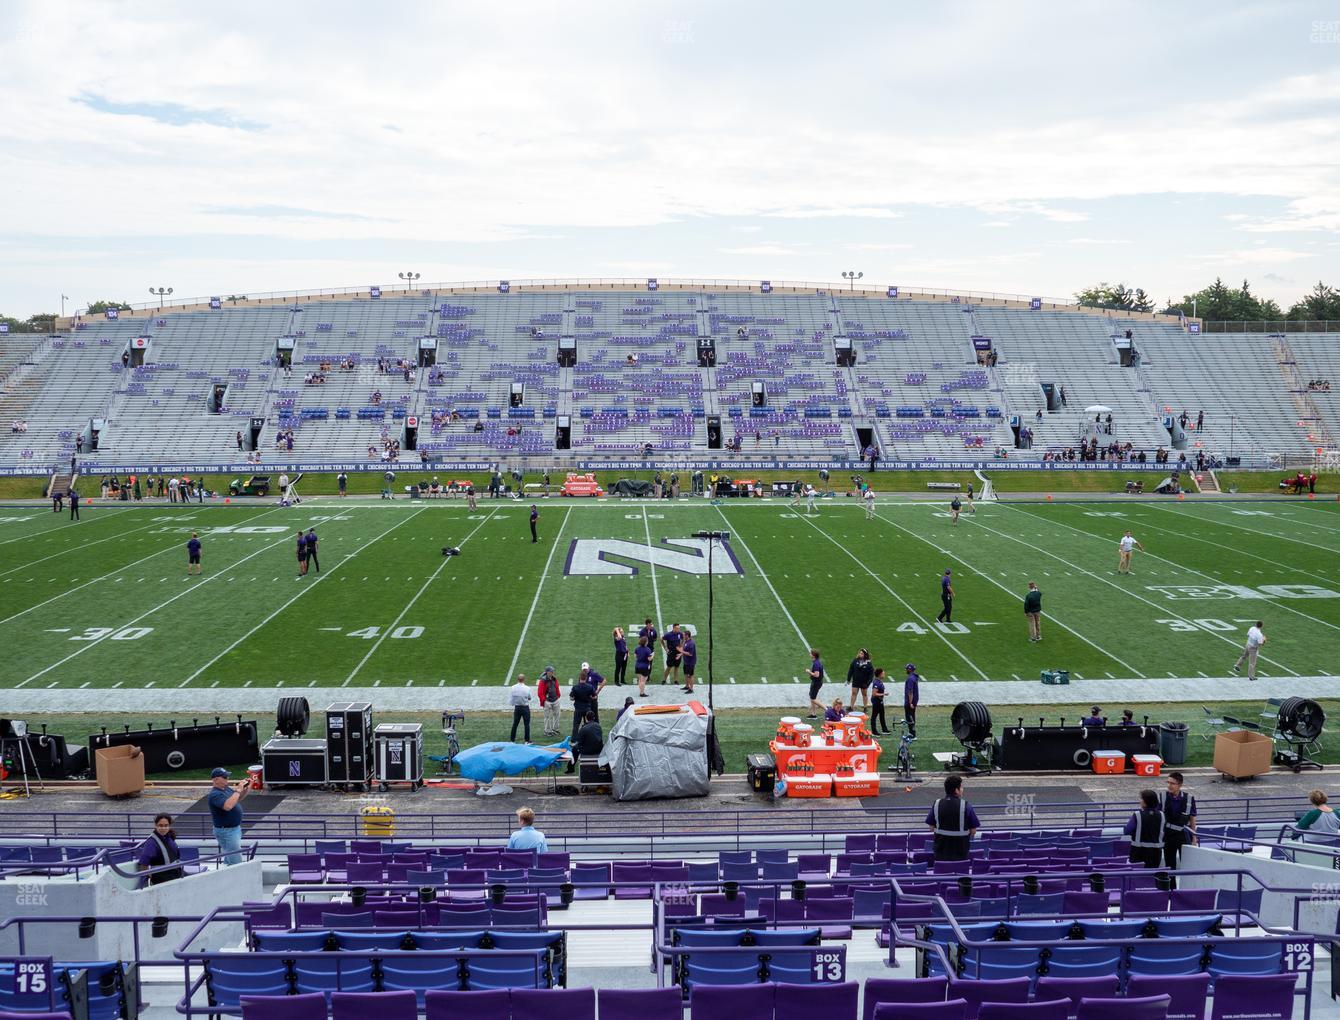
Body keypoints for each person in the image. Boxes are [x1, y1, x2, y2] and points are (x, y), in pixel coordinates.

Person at [926, 775, 979, 861]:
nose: (963, 790)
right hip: (961, 853)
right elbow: (973, 831)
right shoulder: (966, 805)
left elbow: (931, 828)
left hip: (940, 853)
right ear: (956, 790)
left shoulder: (937, 804)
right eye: (961, 787)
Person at [207, 767, 250, 866]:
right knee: (236, 861)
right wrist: (238, 790)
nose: (227, 778)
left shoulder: (226, 789)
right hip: (227, 832)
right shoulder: (215, 794)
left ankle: (225, 873)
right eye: (224, 777)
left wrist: (247, 787)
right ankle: (237, 879)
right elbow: (228, 806)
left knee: (230, 859)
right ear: (215, 779)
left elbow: (237, 799)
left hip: (233, 829)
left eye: (227, 776)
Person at [1161, 771, 1197, 870]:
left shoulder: (1189, 798)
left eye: (1172, 783)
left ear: (1180, 785)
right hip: (1168, 835)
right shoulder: (1162, 797)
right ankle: (1171, 885)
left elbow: (1192, 818)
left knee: (1186, 863)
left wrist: (1194, 838)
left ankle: (1185, 885)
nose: (1169, 786)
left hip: (1183, 835)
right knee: (1169, 864)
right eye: (1168, 782)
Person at [136, 813, 183, 887]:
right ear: (156, 825)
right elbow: (143, 863)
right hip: (161, 880)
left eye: (166, 825)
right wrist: (149, 876)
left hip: (175, 875)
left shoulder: (169, 837)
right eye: (160, 825)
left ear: (169, 826)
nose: (163, 828)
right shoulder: (151, 842)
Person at [1124, 789, 1166, 869]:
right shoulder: (1162, 815)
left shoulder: (1137, 815)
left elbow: (1127, 831)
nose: (1140, 801)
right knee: (1152, 876)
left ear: (1145, 801)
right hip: (1156, 853)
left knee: (1138, 878)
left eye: (1141, 799)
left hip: (1138, 853)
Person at [569, 669, 598, 742]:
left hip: (578, 708)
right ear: (586, 678)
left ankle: (573, 740)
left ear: (579, 678)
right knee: (589, 724)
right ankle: (590, 738)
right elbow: (594, 696)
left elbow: (571, 698)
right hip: (587, 708)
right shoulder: (590, 687)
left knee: (576, 725)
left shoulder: (575, 687)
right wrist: (590, 697)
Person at [508, 674, 533, 743]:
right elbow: (530, 698)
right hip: (525, 708)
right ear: (524, 680)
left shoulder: (513, 687)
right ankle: (527, 740)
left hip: (517, 707)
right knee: (526, 725)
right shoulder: (527, 688)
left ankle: (512, 740)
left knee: (515, 724)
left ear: (517, 679)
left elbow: (511, 698)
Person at [537, 666, 561, 737]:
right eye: (551, 671)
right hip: (547, 701)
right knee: (547, 717)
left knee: (557, 715)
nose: (553, 673)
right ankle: (547, 731)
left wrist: (558, 695)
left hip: (555, 699)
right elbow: (540, 692)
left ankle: (555, 729)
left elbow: (557, 687)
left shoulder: (554, 679)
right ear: (547, 672)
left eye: (553, 671)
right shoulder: (543, 681)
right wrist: (544, 700)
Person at [806, 648, 825, 720]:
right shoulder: (816, 662)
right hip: (816, 682)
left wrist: (809, 672)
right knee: (812, 697)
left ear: (813, 655)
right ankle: (813, 714)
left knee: (813, 699)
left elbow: (817, 675)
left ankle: (827, 709)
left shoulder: (816, 664)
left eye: (810, 653)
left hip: (816, 683)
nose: (809, 654)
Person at [870, 668, 889, 735]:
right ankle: (874, 731)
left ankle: (884, 729)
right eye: (883, 673)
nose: (884, 674)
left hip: (880, 701)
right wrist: (884, 694)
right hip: (876, 701)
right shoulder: (876, 683)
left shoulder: (879, 681)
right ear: (880, 674)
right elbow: (874, 694)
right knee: (874, 716)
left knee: (882, 715)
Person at [904, 663, 920, 737]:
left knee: (909, 717)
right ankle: (912, 732)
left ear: (909, 669)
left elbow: (910, 692)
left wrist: (910, 703)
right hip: (914, 701)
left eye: (906, 669)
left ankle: (912, 734)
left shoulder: (910, 679)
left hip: (910, 702)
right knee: (912, 716)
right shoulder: (914, 677)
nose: (905, 670)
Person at [680, 628, 697, 694]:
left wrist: (682, 651)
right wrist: (680, 654)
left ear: (687, 635)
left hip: (691, 662)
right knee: (686, 674)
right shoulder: (686, 641)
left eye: (684, 635)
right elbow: (684, 650)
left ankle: (691, 688)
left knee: (690, 675)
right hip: (686, 661)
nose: (683, 636)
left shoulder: (691, 643)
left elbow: (690, 654)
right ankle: (687, 686)